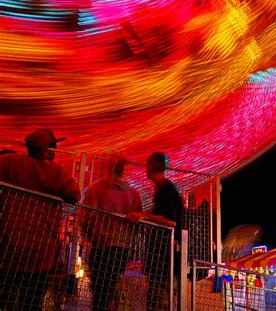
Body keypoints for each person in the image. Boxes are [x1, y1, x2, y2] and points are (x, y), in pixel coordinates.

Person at [0, 128, 81, 310]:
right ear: (48, 150)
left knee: (5, 296)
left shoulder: (10, 162)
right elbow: (74, 195)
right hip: (40, 250)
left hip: (9, 247)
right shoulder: (54, 171)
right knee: (32, 300)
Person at [80, 153, 142, 310]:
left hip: (101, 247)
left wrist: (93, 236)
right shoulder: (132, 194)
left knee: (99, 290)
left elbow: (85, 218)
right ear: (123, 169)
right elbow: (138, 223)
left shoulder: (96, 189)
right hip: (122, 247)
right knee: (112, 284)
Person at [127, 151, 183, 310]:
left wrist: (143, 215)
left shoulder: (165, 189)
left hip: (164, 261)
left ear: (152, 165)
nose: (145, 168)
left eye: (147, 164)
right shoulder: (165, 189)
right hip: (162, 261)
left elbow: (171, 222)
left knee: (157, 303)